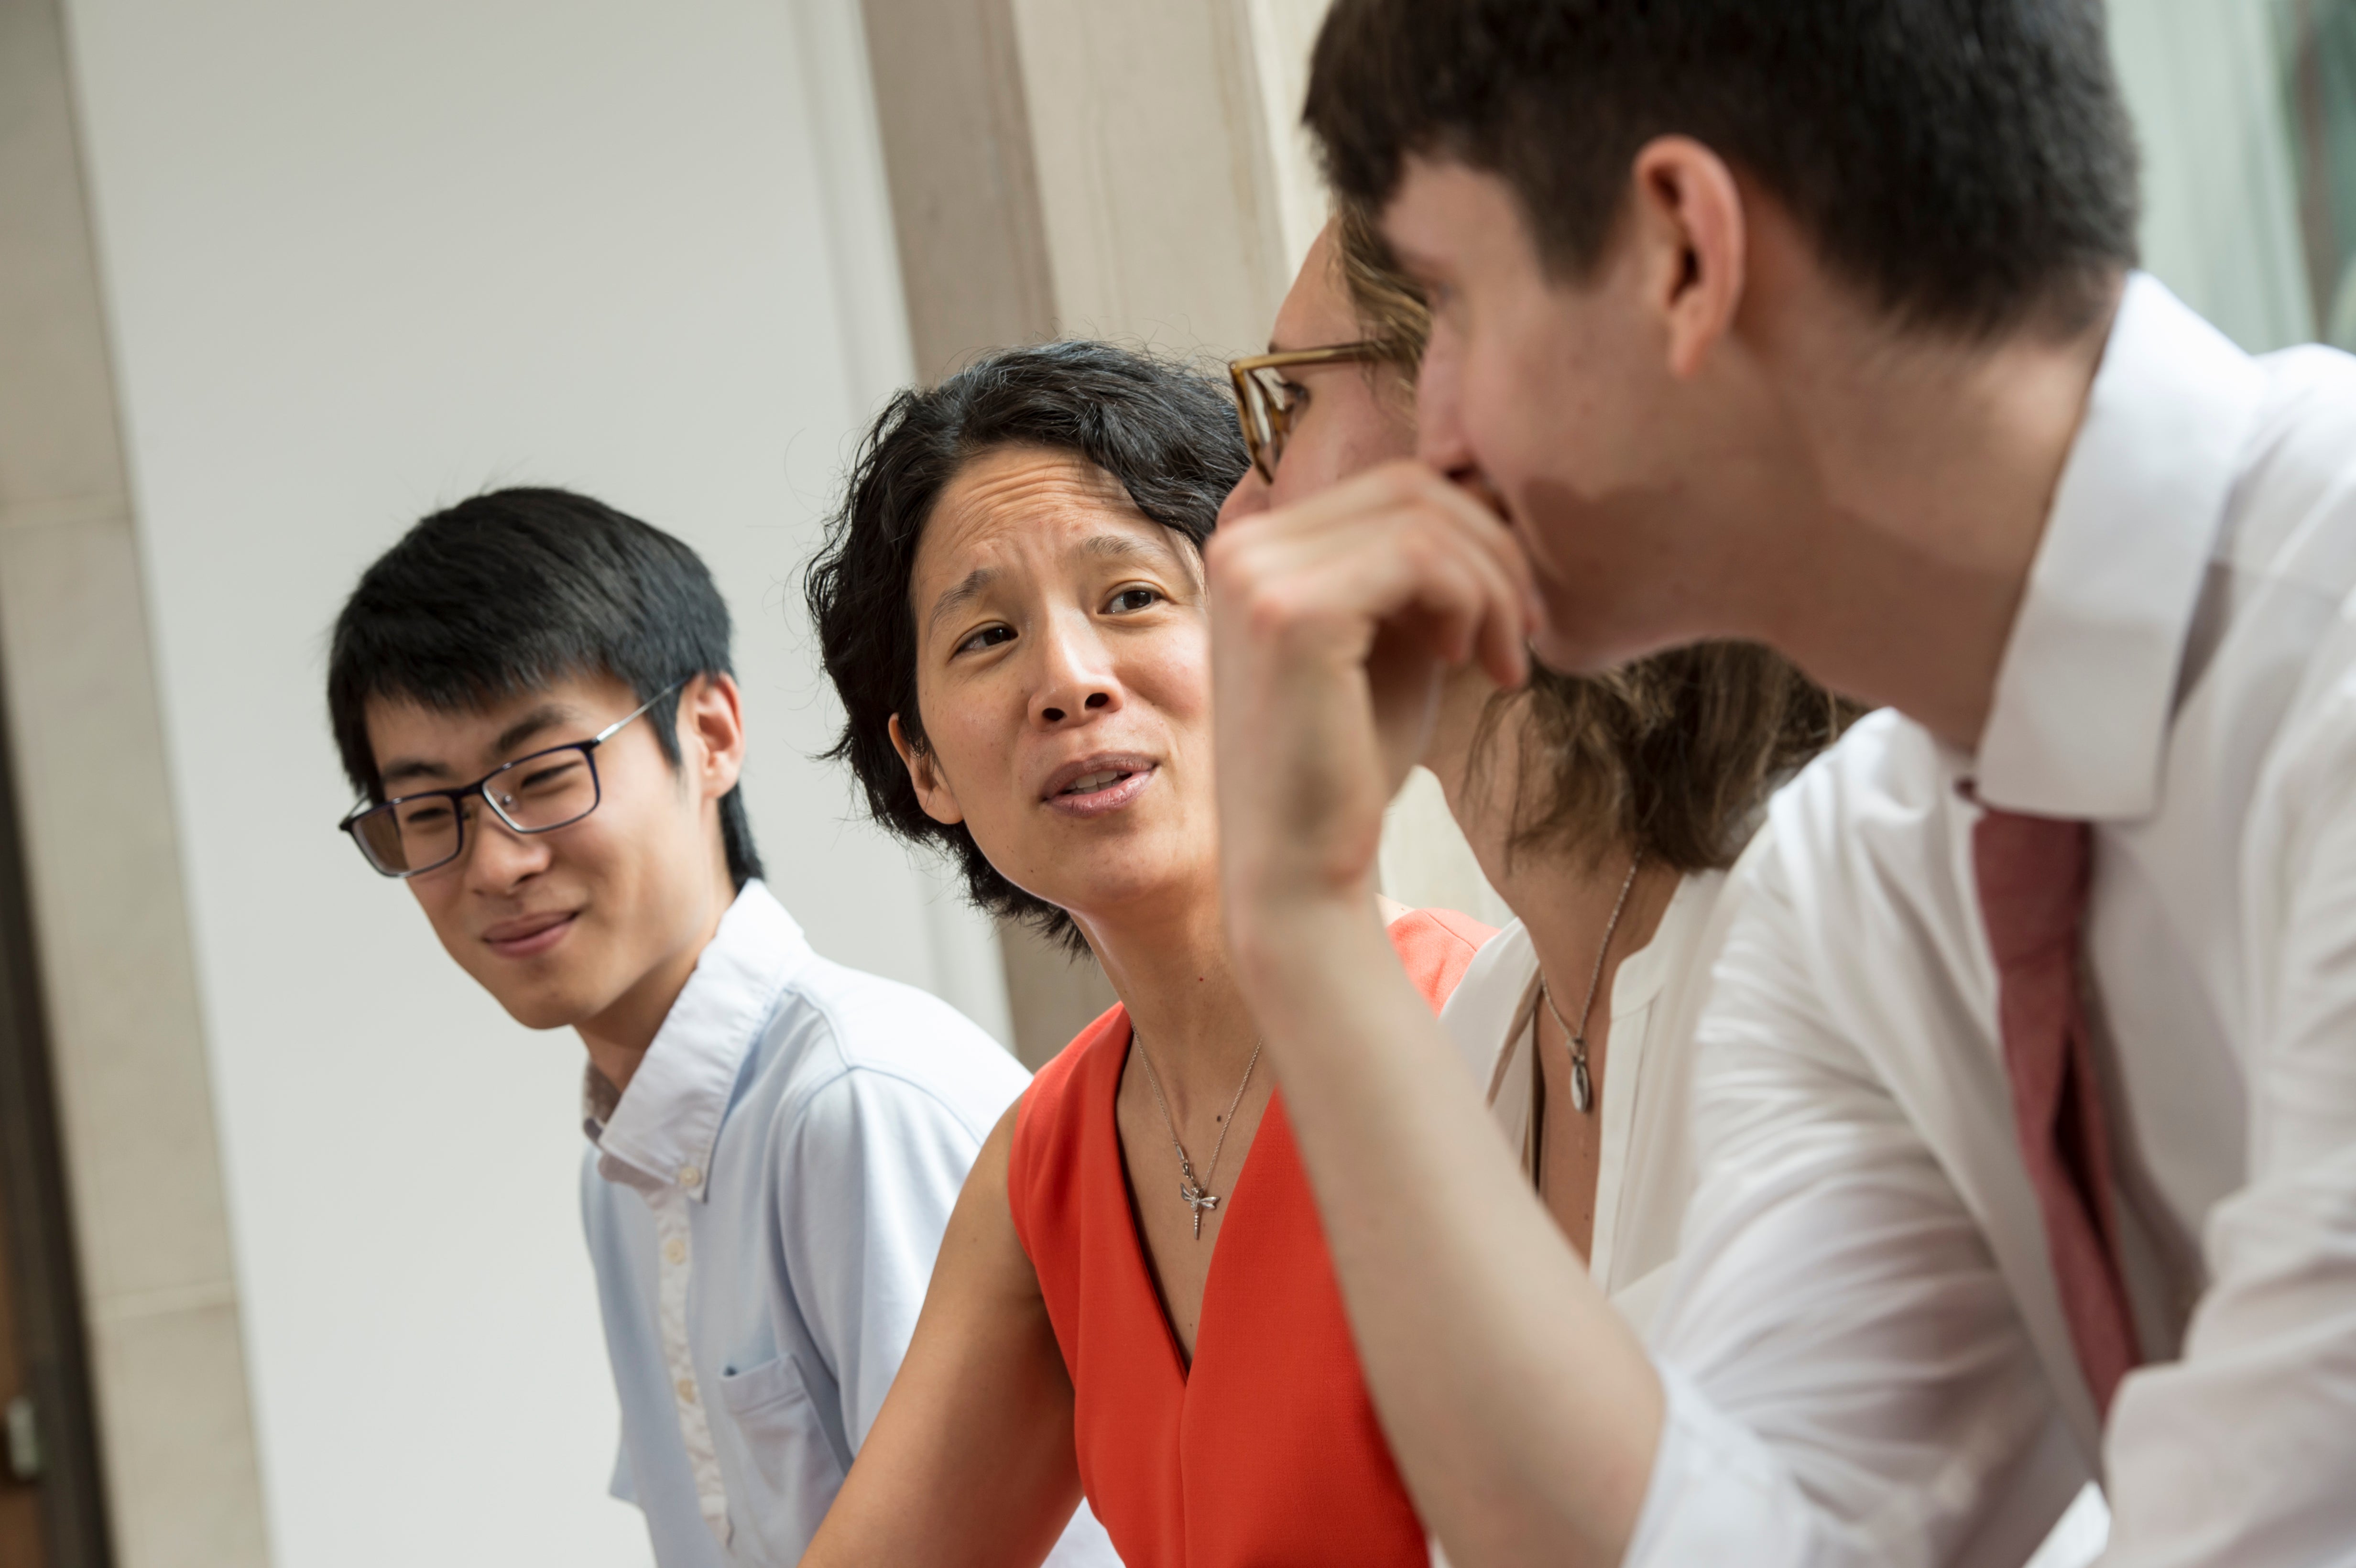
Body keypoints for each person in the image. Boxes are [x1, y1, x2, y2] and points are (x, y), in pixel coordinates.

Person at [1204, 2, 2356, 1566]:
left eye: (1456, 300)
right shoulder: (1857, 883)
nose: (1444, 431)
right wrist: (1301, 916)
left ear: (1681, 249)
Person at [796, 340, 1493, 1567]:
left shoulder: (1477, 1024)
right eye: (987, 637)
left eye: (1130, 599)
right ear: (923, 766)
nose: (1068, 681)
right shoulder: (1047, 1164)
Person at [323, 489, 1110, 1568]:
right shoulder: (622, 1168)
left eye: (544, 776)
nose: (496, 862)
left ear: (711, 733)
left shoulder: (857, 1100)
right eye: (428, 812)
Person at [1221, 212, 1845, 1323]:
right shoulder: (1486, 1030)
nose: (1234, 515)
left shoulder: (1800, 946)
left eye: (1288, 401)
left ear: (1476, 428)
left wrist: (1299, 894)